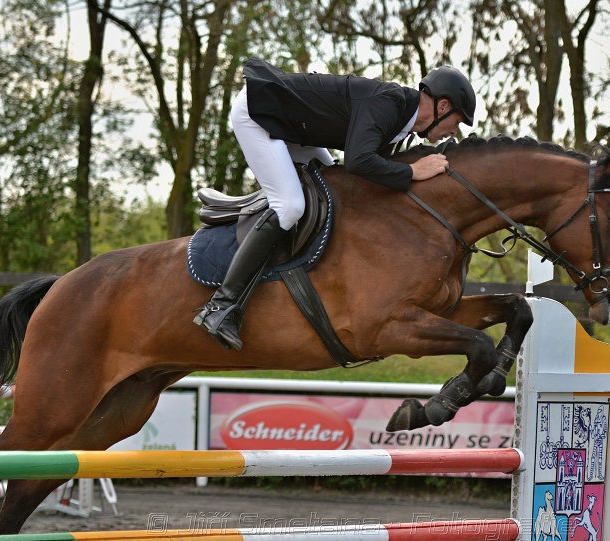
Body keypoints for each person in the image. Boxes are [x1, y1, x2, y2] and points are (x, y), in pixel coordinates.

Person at [194, 57, 476, 350]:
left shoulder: (401, 122)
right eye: (458, 122)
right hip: (260, 112)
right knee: (290, 206)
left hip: (294, 126)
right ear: (443, 107)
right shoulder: (389, 104)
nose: (454, 131)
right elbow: (358, 161)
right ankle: (220, 306)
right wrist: (412, 171)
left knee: (338, 195)